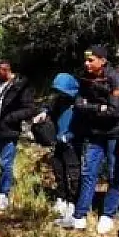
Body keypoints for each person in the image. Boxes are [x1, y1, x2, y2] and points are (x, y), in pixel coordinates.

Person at [55, 46, 119, 234]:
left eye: (91, 60)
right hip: (94, 133)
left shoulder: (116, 79)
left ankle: (108, 215)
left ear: (102, 61)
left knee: (114, 174)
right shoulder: (85, 78)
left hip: (115, 134)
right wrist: (100, 108)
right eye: (86, 60)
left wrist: (92, 107)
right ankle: (79, 216)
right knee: (88, 173)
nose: (86, 64)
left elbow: (116, 111)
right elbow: (79, 104)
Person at [0, 59, 36, 211]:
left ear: (5, 69)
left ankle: (3, 194)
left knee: (5, 164)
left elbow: (29, 109)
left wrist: (9, 118)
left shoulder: (21, 85)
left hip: (8, 131)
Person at [35, 73, 82, 219]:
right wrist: (43, 113)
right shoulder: (58, 100)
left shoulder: (79, 101)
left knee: (73, 173)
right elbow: (48, 106)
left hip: (73, 142)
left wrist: (69, 136)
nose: (60, 94)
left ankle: (73, 202)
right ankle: (62, 197)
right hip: (58, 141)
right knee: (58, 170)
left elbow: (82, 124)